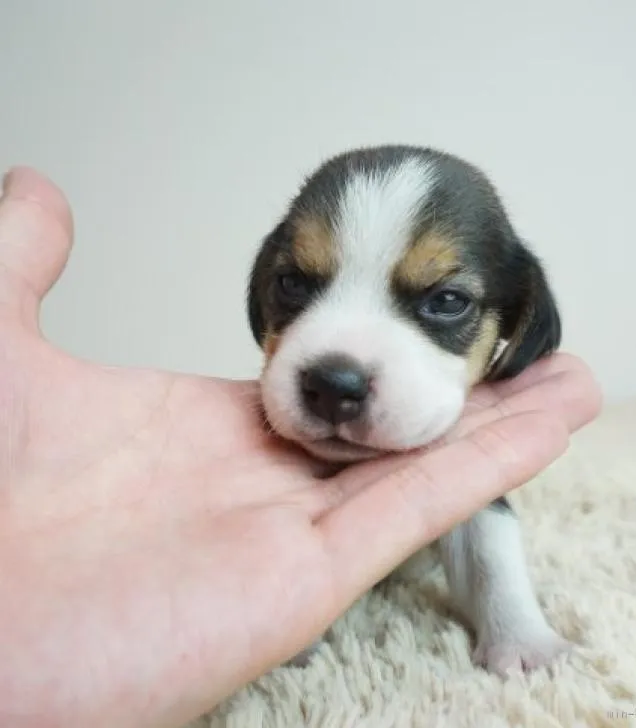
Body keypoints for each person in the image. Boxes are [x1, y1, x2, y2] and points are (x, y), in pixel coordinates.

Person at [0, 167, 601, 728]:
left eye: (445, 302)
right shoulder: (236, 442)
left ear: (517, 323)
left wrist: (515, 630)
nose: (338, 369)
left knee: (473, 499)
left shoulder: (459, 433)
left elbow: (480, 516)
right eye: (295, 285)